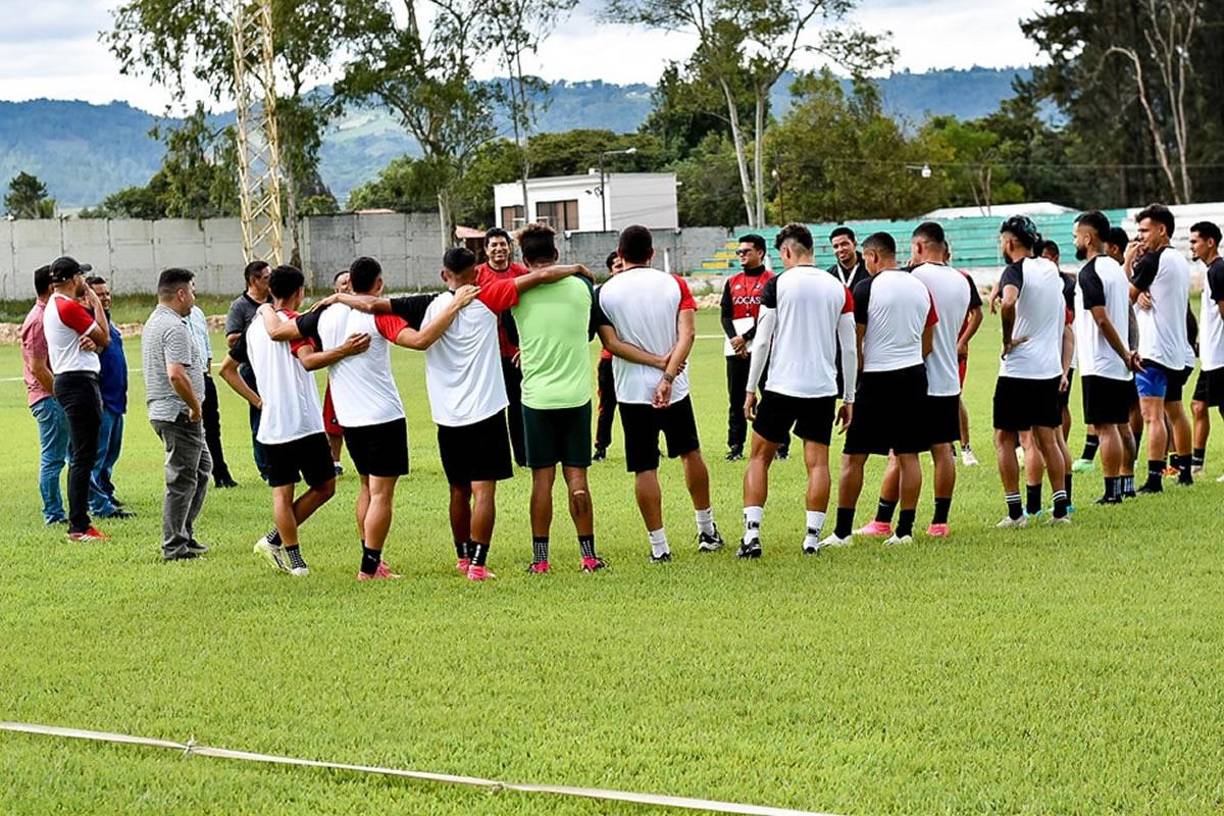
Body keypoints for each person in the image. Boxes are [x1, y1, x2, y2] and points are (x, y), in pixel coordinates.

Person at [319, 248, 592, 576]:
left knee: (458, 490)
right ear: (476, 272)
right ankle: (478, 565)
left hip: (447, 415)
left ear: (443, 274)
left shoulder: (426, 304)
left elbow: (371, 305)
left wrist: (339, 298)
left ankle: (462, 558)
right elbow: (543, 275)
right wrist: (577, 267)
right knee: (484, 491)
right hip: (487, 411)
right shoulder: (488, 295)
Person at [266, 256, 476, 581]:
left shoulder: (324, 314)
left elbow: (279, 331)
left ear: (349, 283)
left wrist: (265, 310)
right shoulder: (379, 315)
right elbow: (420, 340)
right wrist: (455, 306)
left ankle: (373, 560)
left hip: (349, 419)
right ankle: (369, 568)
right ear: (379, 283)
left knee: (366, 488)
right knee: (381, 495)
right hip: (382, 417)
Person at [221, 265, 367, 577]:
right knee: (325, 487)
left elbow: (226, 370)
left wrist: (259, 402)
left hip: (273, 425)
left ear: (271, 290)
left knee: (283, 493)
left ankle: (281, 546)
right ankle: (291, 556)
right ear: (299, 292)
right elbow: (309, 361)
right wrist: (345, 349)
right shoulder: (295, 325)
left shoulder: (255, 327)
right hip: (303, 421)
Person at [595, 224, 724, 561]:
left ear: (620, 255)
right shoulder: (674, 283)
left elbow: (611, 344)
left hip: (632, 392)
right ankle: (706, 530)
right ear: (652, 253)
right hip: (675, 388)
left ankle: (659, 546)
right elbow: (688, 334)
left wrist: (654, 363)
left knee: (644, 467)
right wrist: (667, 375)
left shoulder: (605, 292)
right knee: (690, 453)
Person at [739, 223, 856, 557]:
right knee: (817, 464)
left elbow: (762, 341)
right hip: (821, 388)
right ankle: (811, 538)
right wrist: (849, 397)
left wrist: (750, 389)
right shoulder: (838, 288)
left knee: (759, 458)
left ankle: (752, 535)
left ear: (787, 251)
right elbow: (849, 348)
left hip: (781, 385)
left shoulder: (777, 284)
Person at [858, 222, 972, 539]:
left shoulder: (914, 278)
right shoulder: (962, 280)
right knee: (943, 451)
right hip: (948, 377)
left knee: (901, 453)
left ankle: (883, 520)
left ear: (919, 247)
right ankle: (939, 522)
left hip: (915, 377)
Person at [823, 232, 936, 548]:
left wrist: (854, 384)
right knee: (908, 455)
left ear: (871, 256)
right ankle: (904, 531)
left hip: (876, 378)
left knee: (853, 457)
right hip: (914, 375)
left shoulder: (866, 287)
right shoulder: (919, 286)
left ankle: (842, 532)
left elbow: (855, 341)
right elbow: (928, 340)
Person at [509, 224, 609, 574]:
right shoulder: (582, 287)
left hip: (536, 399)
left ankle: (541, 560)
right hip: (576, 396)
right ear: (556, 254)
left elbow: (512, 334)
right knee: (577, 479)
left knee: (542, 481)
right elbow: (590, 332)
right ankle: (588, 556)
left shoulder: (516, 292)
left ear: (524, 259)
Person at [991, 217, 1073, 527]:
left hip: (1019, 368)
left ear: (1010, 242)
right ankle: (1061, 510)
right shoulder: (1050, 269)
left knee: (1003, 438)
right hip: (1048, 368)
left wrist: (1006, 339)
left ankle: (1015, 513)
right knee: (1048, 439)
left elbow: (1009, 302)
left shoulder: (1015, 270)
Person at [1071, 210, 1143, 504]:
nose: (1074, 241)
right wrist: (1130, 351)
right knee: (1122, 425)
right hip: (1119, 364)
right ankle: (1127, 483)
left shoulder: (1089, 272)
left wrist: (1125, 353)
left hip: (1100, 362)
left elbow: (1101, 319)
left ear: (1088, 238)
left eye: (1076, 236)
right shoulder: (1116, 268)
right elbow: (1127, 314)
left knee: (1105, 427)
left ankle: (1112, 492)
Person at [142, 268, 211, 560]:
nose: (194, 296)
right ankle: (174, 545)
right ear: (181, 293)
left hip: (167, 410)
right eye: (192, 291)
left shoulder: (156, 321)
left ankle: (184, 532)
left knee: (202, 469)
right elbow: (176, 374)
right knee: (182, 480)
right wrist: (195, 406)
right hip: (178, 413)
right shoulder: (174, 327)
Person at [43, 256, 112, 542]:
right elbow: (105, 337)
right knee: (84, 456)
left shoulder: (54, 305)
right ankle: (79, 525)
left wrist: (93, 343)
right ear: (73, 280)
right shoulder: (68, 306)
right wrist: (96, 303)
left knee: (82, 455)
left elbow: (95, 343)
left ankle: (80, 522)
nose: (84, 281)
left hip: (69, 380)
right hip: (79, 383)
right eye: (81, 276)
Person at [1125, 203, 1192, 491]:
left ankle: (1154, 479)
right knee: (1175, 411)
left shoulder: (1152, 260)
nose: (1140, 237)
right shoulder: (1178, 259)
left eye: (1144, 230)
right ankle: (1185, 471)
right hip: (1176, 350)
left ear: (1162, 230)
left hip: (1152, 350)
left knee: (1151, 416)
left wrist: (1127, 262)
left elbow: (1125, 297)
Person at [722, 233, 787, 461]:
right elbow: (725, 314)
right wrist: (735, 339)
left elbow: (772, 317)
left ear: (760, 252)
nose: (741, 255)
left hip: (765, 347)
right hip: (736, 351)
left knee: (771, 397)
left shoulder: (773, 280)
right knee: (736, 399)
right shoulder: (732, 281)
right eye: (738, 252)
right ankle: (735, 445)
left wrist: (747, 336)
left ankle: (780, 445)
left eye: (746, 251)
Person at [477, 227, 531, 467]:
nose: (499, 249)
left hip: (516, 353)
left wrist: (525, 346)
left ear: (510, 247)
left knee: (518, 405)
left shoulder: (521, 274)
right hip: (487, 353)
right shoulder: (477, 275)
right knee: (491, 406)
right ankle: (495, 457)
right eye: (494, 245)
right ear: (486, 250)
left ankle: (522, 456)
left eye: (503, 244)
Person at [21, 264, 70, 526]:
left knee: (69, 455)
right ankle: (54, 514)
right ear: (52, 288)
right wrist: (61, 395)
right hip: (49, 398)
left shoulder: (48, 315)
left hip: (53, 397)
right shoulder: (38, 320)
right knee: (53, 458)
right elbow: (38, 367)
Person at [84, 275, 133, 519]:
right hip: (101, 400)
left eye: (107, 293)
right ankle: (95, 502)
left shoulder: (108, 323)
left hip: (117, 400)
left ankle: (105, 491)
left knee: (111, 454)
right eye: (99, 294)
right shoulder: (89, 325)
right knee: (97, 454)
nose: (105, 298)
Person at [225, 259, 272, 481]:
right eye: (267, 278)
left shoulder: (275, 300)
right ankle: (265, 467)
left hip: (273, 367)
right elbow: (231, 339)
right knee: (260, 416)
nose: (271, 282)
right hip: (252, 370)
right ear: (254, 280)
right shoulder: (239, 306)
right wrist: (256, 332)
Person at [1188, 221, 1224, 481]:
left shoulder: (1218, 270)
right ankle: (1196, 465)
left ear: (1210, 242)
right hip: (1210, 357)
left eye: (1195, 241)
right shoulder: (1212, 271)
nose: (1191, 246)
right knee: (1198, 406)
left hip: (1221, 357)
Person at [187, 301, 237, 488]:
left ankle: (221, 472)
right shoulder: (171, 319)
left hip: (204, 377)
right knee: (189, 431)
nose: (193, 295)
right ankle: (194, 476)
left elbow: (206, 345)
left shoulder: (198, 313)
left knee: (212, 428)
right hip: (186, 379)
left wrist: (207, 372)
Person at [952, 242, 984, 466]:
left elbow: (977, 313)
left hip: (955, 350)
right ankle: (948, 449)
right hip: (929, 350)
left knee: (954, 397)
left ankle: (965, 448)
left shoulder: (962, 278)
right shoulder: (919, 277)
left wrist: (962, 341)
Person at [322, 269, 352, 474]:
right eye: (344, 283)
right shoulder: (328, 314)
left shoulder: (368, 308)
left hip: (363, 374)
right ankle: (335, 461)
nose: (348, 286)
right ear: (336, 290)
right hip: (339, 372)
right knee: (334, 420)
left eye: (351, 281)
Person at [593, 251, 622, 462]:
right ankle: (601, 447)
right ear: (610, 271)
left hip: (637, 359)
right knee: (607, 404)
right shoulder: (602, 294)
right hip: (610, 359)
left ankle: (652, 444)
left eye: (623, 265)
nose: (622, 270)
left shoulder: (637, 292)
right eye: (617, 266)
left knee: (643, 403)